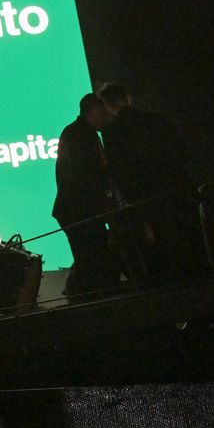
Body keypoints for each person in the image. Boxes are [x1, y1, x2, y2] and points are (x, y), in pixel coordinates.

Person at [95, 81, 205, 283]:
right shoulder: (157, 120)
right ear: (128, 98)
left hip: (150, 203)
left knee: (167, 259)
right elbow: (183, 152)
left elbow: (121, 176)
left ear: (107, 106)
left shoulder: (112, 134)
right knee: (194, 251)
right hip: (179, 192)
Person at [52, 93, 120, 295]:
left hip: (75, 211)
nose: (107, 118)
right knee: (93, 262)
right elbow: (88, 175)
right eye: (103, 113)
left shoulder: (75, 132)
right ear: (95, 110)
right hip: (81, 212)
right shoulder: (82, 135)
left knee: (89, 261)